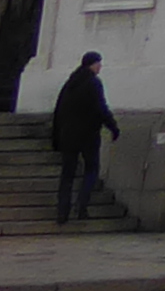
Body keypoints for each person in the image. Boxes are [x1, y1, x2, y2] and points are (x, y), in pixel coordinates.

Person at [49, 51, 117, 225]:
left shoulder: (70, 84)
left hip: (68, 136)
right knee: (91, 170)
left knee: (67, 175)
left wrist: (56, 136)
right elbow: (101, 108)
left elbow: (59, 111)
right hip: (88, 135)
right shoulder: (93, 83)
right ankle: (81, 206)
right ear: (92, 64)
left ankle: (62, 212)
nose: (100, 66)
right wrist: (113, 127)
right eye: (98, 63)